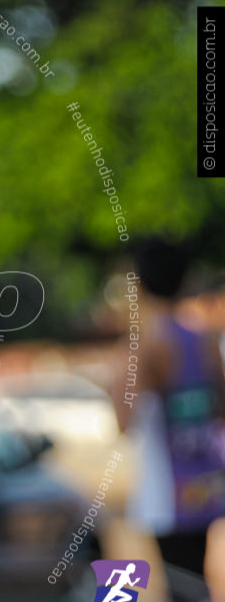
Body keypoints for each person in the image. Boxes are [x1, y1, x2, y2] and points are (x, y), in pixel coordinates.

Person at [115, 240, 225, 582]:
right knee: (198, 575)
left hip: (165, 487)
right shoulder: (205, 341)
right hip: (203, 480)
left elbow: (123, 420)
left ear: (139, 285)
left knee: (180, 587)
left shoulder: (145, 345)